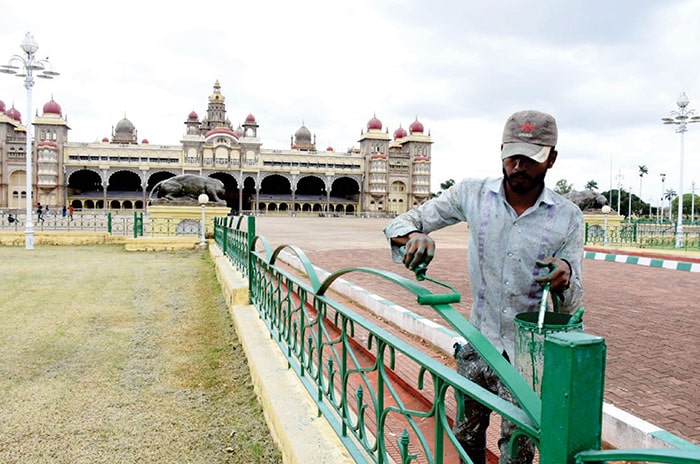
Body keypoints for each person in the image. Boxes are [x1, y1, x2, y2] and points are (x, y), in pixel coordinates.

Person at [384, 110, 584, 464]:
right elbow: (403, 221)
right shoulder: (472, 194)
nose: (518, 166)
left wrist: (565, 276)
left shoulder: (568, 216)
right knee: (466, 440)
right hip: (478, 343)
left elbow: (571, 303)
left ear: (551, 159)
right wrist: (414, 235)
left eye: (531, 159)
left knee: (518, 449)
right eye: (512, 156)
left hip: (527, 360)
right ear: (501, 151)